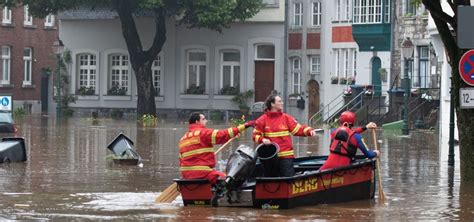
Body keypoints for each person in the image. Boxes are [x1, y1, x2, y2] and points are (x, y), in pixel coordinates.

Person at [179, 112, 255, 184]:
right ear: (196, 121)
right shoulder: (203, 133)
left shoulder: (182, 139)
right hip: (202, 173)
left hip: (186, 175)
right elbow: (223, 135)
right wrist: (245, 125)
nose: (206, 121)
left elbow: (181, 160)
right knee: (228, 181)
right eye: (203, 119)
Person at [252, 94, 316, 177]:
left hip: (286, 157)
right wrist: (262, 140)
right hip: (271, 158)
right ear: (272, 104)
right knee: (271, 181)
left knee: (287, 180)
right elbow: (255, 136)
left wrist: (309, 131)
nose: (282, 103)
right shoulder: (262, 120)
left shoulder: (286, 118)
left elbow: (297, 129)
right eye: (279, 101)